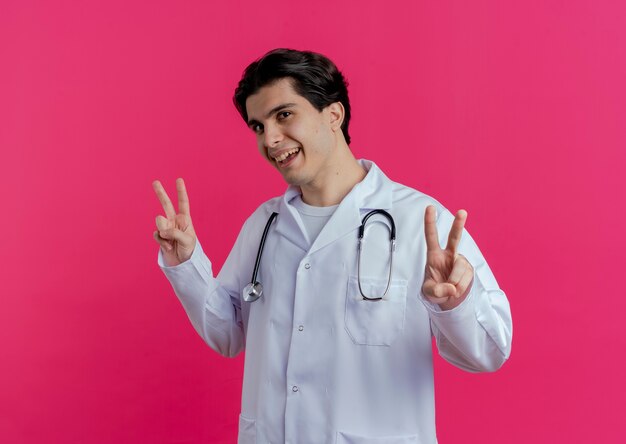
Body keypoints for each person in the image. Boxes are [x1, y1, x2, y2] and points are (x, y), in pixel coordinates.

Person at [152, 48, 512, 444]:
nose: (270, 139)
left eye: (284, 115)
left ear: (334, 115)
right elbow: (228, 335)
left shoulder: (418, 222)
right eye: (258, 126)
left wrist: (456, 302)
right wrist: (186, 262)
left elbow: (490, 351)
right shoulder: (265, 225)